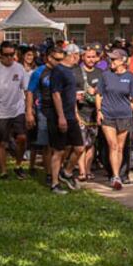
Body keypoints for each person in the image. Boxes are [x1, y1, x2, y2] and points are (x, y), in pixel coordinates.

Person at [0, 41, 29, 180]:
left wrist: (28, 108)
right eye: (6, 55)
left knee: (22, 138)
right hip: (0, 111)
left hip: (18, 109)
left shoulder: (20, 68)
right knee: (1, 142)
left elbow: (26, 89)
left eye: (11, 55)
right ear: (1, 55)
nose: (9, 58)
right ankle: (3, 171)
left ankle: (18, 165)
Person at [96, 48, 133, 190]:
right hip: (108, 115)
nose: (111, 61)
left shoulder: (130, 77)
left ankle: (119, 174)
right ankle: (115, 176)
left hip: (125, 115)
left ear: (123, 61)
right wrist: (99, 111)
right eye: (110, 59)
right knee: (113, 145)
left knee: (121, 147)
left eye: (114, 59)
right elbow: (99, 94)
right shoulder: (105, 75)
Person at [48, 44, 86, 194]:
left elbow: (69, 94)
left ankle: (67, 172)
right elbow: (56, 94)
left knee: (79, 147)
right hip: (60, 116)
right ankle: (54, 183)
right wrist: (61, 116)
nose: (79, 58)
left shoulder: (71, 71)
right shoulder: (58, 70)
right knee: (59, 150)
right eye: (79, 55)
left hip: (71, 115)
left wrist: (75, 114)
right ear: (73, 55)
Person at [26, 50, 58, 180]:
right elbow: (29, 92)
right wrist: (29, 111)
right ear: (49, 57)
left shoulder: (60, 71)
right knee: (46, 144)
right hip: (42, 110)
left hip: (58, 111)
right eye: (57, 59)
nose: (59, 62)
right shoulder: (38, 72)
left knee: (57, 144)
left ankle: (56, 170)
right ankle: (49, 174)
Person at [75, 44, 103, 181]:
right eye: (88, 57)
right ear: (82, 57)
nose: (91, 59)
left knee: (91, 143)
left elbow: (103, 92)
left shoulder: (100, 73)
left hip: (93, 112)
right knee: (81, 144)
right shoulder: (76, 72)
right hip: (80, 111)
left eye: (93, 57)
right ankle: (81, 171)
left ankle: (88, 169)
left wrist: (96, 91)